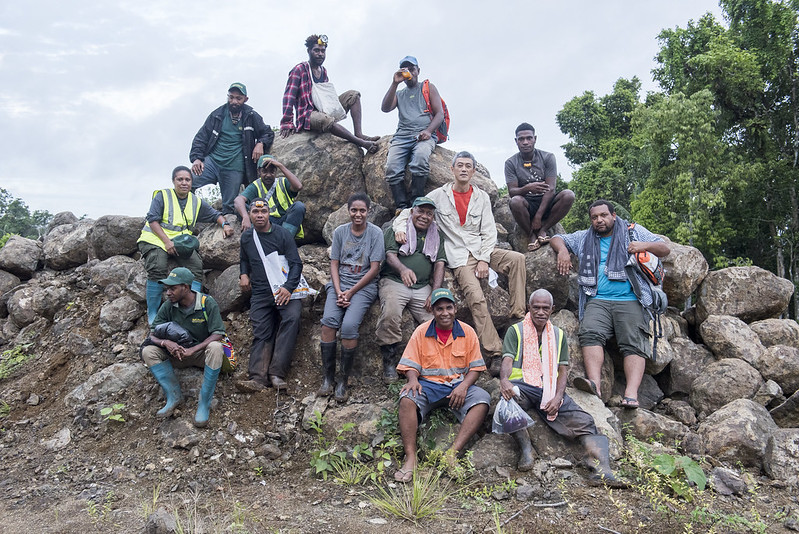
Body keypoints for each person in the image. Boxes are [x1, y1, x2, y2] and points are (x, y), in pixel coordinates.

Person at [394, 151, 527, 374]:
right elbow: (409, 212)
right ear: (452, 169)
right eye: (460, 165)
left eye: (468, 166)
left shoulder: (481, 196)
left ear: (474, 171)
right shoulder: (438, 195)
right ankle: (495, 351)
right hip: (459, 257)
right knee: (476, 298)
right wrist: (399, 228)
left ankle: (518, 318)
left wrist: (485, 259)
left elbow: (488, 231)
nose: (464, 169)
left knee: (518, 259)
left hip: (481, 249)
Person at [550, 200, 670, 408]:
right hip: (597, 299)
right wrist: (562, 251)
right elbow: (557, 238)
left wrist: (644, 246)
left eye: (604, 215)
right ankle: (594, 384)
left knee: (634, 343)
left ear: (613, 216)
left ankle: (631, 395)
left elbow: (664, 248)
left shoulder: (633, 232)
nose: (599, 220)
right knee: (589, 332)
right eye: (595, 217)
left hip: (631, 298)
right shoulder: (585, 237)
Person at [499, 289, 622, 485]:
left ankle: (601, 471)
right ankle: (526, 451)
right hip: (522, 385)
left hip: (547, 388)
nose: (540, 312)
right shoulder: (516, 330)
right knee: (506, 402)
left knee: (585, 421)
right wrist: (504, 380)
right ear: (529, 308)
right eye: (536, 307)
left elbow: (562, 370)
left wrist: (557, 397)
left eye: (545, 308)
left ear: (552, 310)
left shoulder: (558, 335)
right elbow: (506, 359)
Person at [394, 288, 490, 483]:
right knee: (406, 400)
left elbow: (476, 368)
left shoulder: (467, 332)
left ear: (455, 309)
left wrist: (464, 386)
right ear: (433, 311)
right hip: (427, 386)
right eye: (439, 309)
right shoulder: (421, 332)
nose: (445, 313)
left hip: (457, 387)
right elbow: (410, 364)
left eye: (449, 308)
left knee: (482, 400)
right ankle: (410, 457)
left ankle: (451, 454)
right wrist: (412, 380)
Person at [137, 166, 234, 324]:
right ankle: (153, 313)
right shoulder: (163, 196)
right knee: (158, 266)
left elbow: (215, 214)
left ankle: (190, 308)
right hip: (155, 239)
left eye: (187, 180)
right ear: (173, 181)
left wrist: (226, 225)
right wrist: (166, 242)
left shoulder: (195, 201)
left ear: (191, 182)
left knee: (196, 267)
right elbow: (153, 220)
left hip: (179, 242)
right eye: (180, 179)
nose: (184, 183)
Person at [319, 193, 385, 402]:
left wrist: (351, 292)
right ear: (348, 211)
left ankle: (343, 380)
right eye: (354, 210)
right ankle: (328, 378)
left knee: (348, 327)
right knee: (328, 323)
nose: (358, 214)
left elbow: (374, 269)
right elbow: (334, 263)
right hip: (340, 285)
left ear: (368, 211)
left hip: (363, 286)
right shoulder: (340, 232)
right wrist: (338, 291)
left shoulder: (375, 234)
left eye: (362, 210)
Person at [141, 267, 226, 428]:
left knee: (215, 347)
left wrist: (194, 350)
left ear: (185, 288)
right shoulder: (168, 306)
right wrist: (167, 343)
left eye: (173, 288)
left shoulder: (206, 303)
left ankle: (203, 404)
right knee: (148, 351)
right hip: (176, 355)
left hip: (200, 354)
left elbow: (218, 333)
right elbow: (153, 335)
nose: (168, 293)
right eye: (167, 289)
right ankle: (173, 396)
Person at [236, 198, 303, 392]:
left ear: (269, 213)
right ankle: (257, 378)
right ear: (249, 214)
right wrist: (243, 274)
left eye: (263, 212)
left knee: (292, 318)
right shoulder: (247, 238)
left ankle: (277, 373)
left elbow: (296, 264)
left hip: (284, 290)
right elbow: (243, 259)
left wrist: (288, 288)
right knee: (261, 331)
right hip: (260, 292)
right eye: (255, 213)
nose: (259, 215)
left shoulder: (282, 235)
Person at [376, 196, 446, 383]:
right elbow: (390, 254)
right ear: (412, 211)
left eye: (429, 213)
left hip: (422, 285)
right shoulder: (398, 228)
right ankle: (390, 362)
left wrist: (435, 292)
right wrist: (403, 269)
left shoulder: (436, 234)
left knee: (435, 320)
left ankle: (430, 363)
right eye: (421, 211)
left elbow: (439, 263)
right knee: (391, 312)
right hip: (394, 280)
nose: (424, 216)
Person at [280, 34, 378, 153]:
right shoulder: (299, 69)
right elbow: (289, 97)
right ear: (308, 51)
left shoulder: (323, 71)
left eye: (323, 51)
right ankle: (361, 142)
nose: (320, 54)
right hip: (308, 115)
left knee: (354, 95)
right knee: (325, 120)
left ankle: (359, 134)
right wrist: (286, 122)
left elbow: (325, 95)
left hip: (324, 109)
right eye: (316, 50)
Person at [190, 82, 274, 214]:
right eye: (231, 97)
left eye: (238, 98)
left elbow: (267, 132)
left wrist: (260, 143)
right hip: (212, 162)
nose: (234, 101)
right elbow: (201, 138)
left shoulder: (251, 116)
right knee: (187, 182)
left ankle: (224, 227)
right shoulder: (217, 115)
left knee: (229, 207)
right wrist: (196, 159)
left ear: (245, 99)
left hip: (234, 167)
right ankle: (191, 215)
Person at [380, 55, 445, 210]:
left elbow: (440, 114)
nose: (409, 72)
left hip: (423, 135)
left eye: (412, 69)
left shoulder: (428, 88)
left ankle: (417, 202)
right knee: (392, 167)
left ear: (418, 70)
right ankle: (401, 206)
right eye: (405, 69)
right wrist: (394, 83)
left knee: (420, 159)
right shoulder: (400, 93)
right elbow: (385, 108)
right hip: (402, 136)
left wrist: (429, 131)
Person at [505, 123, 575, 252]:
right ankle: (531, 234)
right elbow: (512, 192)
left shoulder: (548, 157)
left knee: (568, 195)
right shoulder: (511, 163)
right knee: (515, 202)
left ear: (535, 139)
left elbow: (551, 188)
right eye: (521, 139)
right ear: (516, 141)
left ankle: (543, 229)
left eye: (529, 138)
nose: (525, 142)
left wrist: (538, 217)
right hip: (527, 204)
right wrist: (527, 188)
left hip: (547, 202)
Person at [234, 155, 305, 238]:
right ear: (259, 172)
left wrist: (281, 166)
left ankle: (285, 239)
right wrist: (245, 217)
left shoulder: (283, 182)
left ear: (276, 172)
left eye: (272, 171)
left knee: (299, 206)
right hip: (267, 222)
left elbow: (298, 187)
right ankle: (262, 238)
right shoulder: (255, 186)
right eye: (264, 171)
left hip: (285, 221)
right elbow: (238, 200)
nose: (268, 175)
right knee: (242, 208)